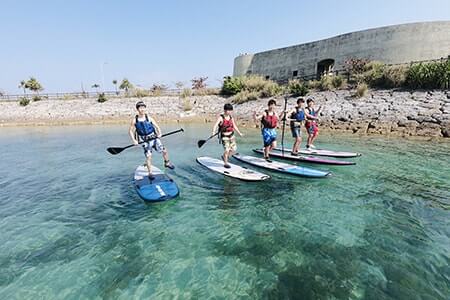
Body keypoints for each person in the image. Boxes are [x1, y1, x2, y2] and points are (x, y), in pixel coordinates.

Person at [129, 101, 174, 180]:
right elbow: (130, 131)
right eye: (140, 108)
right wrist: (134, 140)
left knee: (164, 151)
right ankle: (150, 173)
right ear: (137, 109)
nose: (142, 109)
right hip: (145, 141)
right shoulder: (134, 120)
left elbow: (157, 126)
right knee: (149, 157)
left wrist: (159, 133)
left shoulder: (149, 118)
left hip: (154, 138)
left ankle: (167, 162)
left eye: (143, 107)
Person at [212, 103, 244, 168]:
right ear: (225, 110)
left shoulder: (231, 117)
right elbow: (215, 125)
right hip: (225, 137)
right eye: (228, 110)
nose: (229, 112)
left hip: (232, 136)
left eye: (230, 110)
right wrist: (213, 132)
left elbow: (234, 125)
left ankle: (224, 156)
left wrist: (239, 133)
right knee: (226, 150)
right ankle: (226, 163)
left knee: (233, 149)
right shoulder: (221, 118)